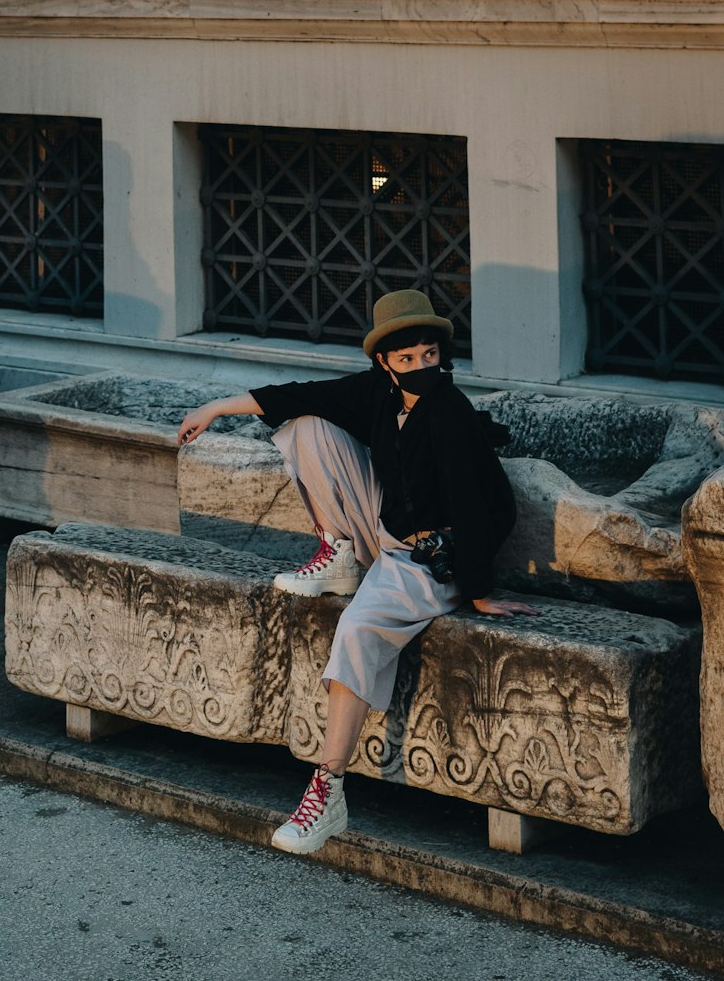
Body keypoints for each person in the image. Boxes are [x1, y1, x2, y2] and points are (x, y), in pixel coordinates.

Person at [177, 289, 540, 855]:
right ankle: (338, 552)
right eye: (408, 359)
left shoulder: (448, 411)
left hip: (429, 558)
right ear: (383, 364)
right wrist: (216, 408)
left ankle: (328, 790)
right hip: (384, 532)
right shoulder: (375, 393)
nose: (422, 367)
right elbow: (298, 393)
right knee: (303, 425)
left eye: (429, 355)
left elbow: (478, 503)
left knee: (353, 631)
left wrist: (479, 591)